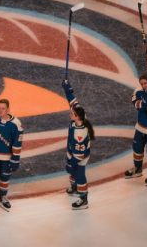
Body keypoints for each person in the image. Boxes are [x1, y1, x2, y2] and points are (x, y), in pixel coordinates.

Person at [61, 80, 94, 210]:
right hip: (73, 153)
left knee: (80, 176)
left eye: (72, 114)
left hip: (79, 158)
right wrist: (67, 89)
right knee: (73, 173)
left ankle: (83, 199)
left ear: (77, 117)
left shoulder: (79, 133)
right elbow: (73, 101)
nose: (70, 114)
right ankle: (74, 188)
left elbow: (79, 154)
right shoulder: (81, 115)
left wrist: (71, 163)